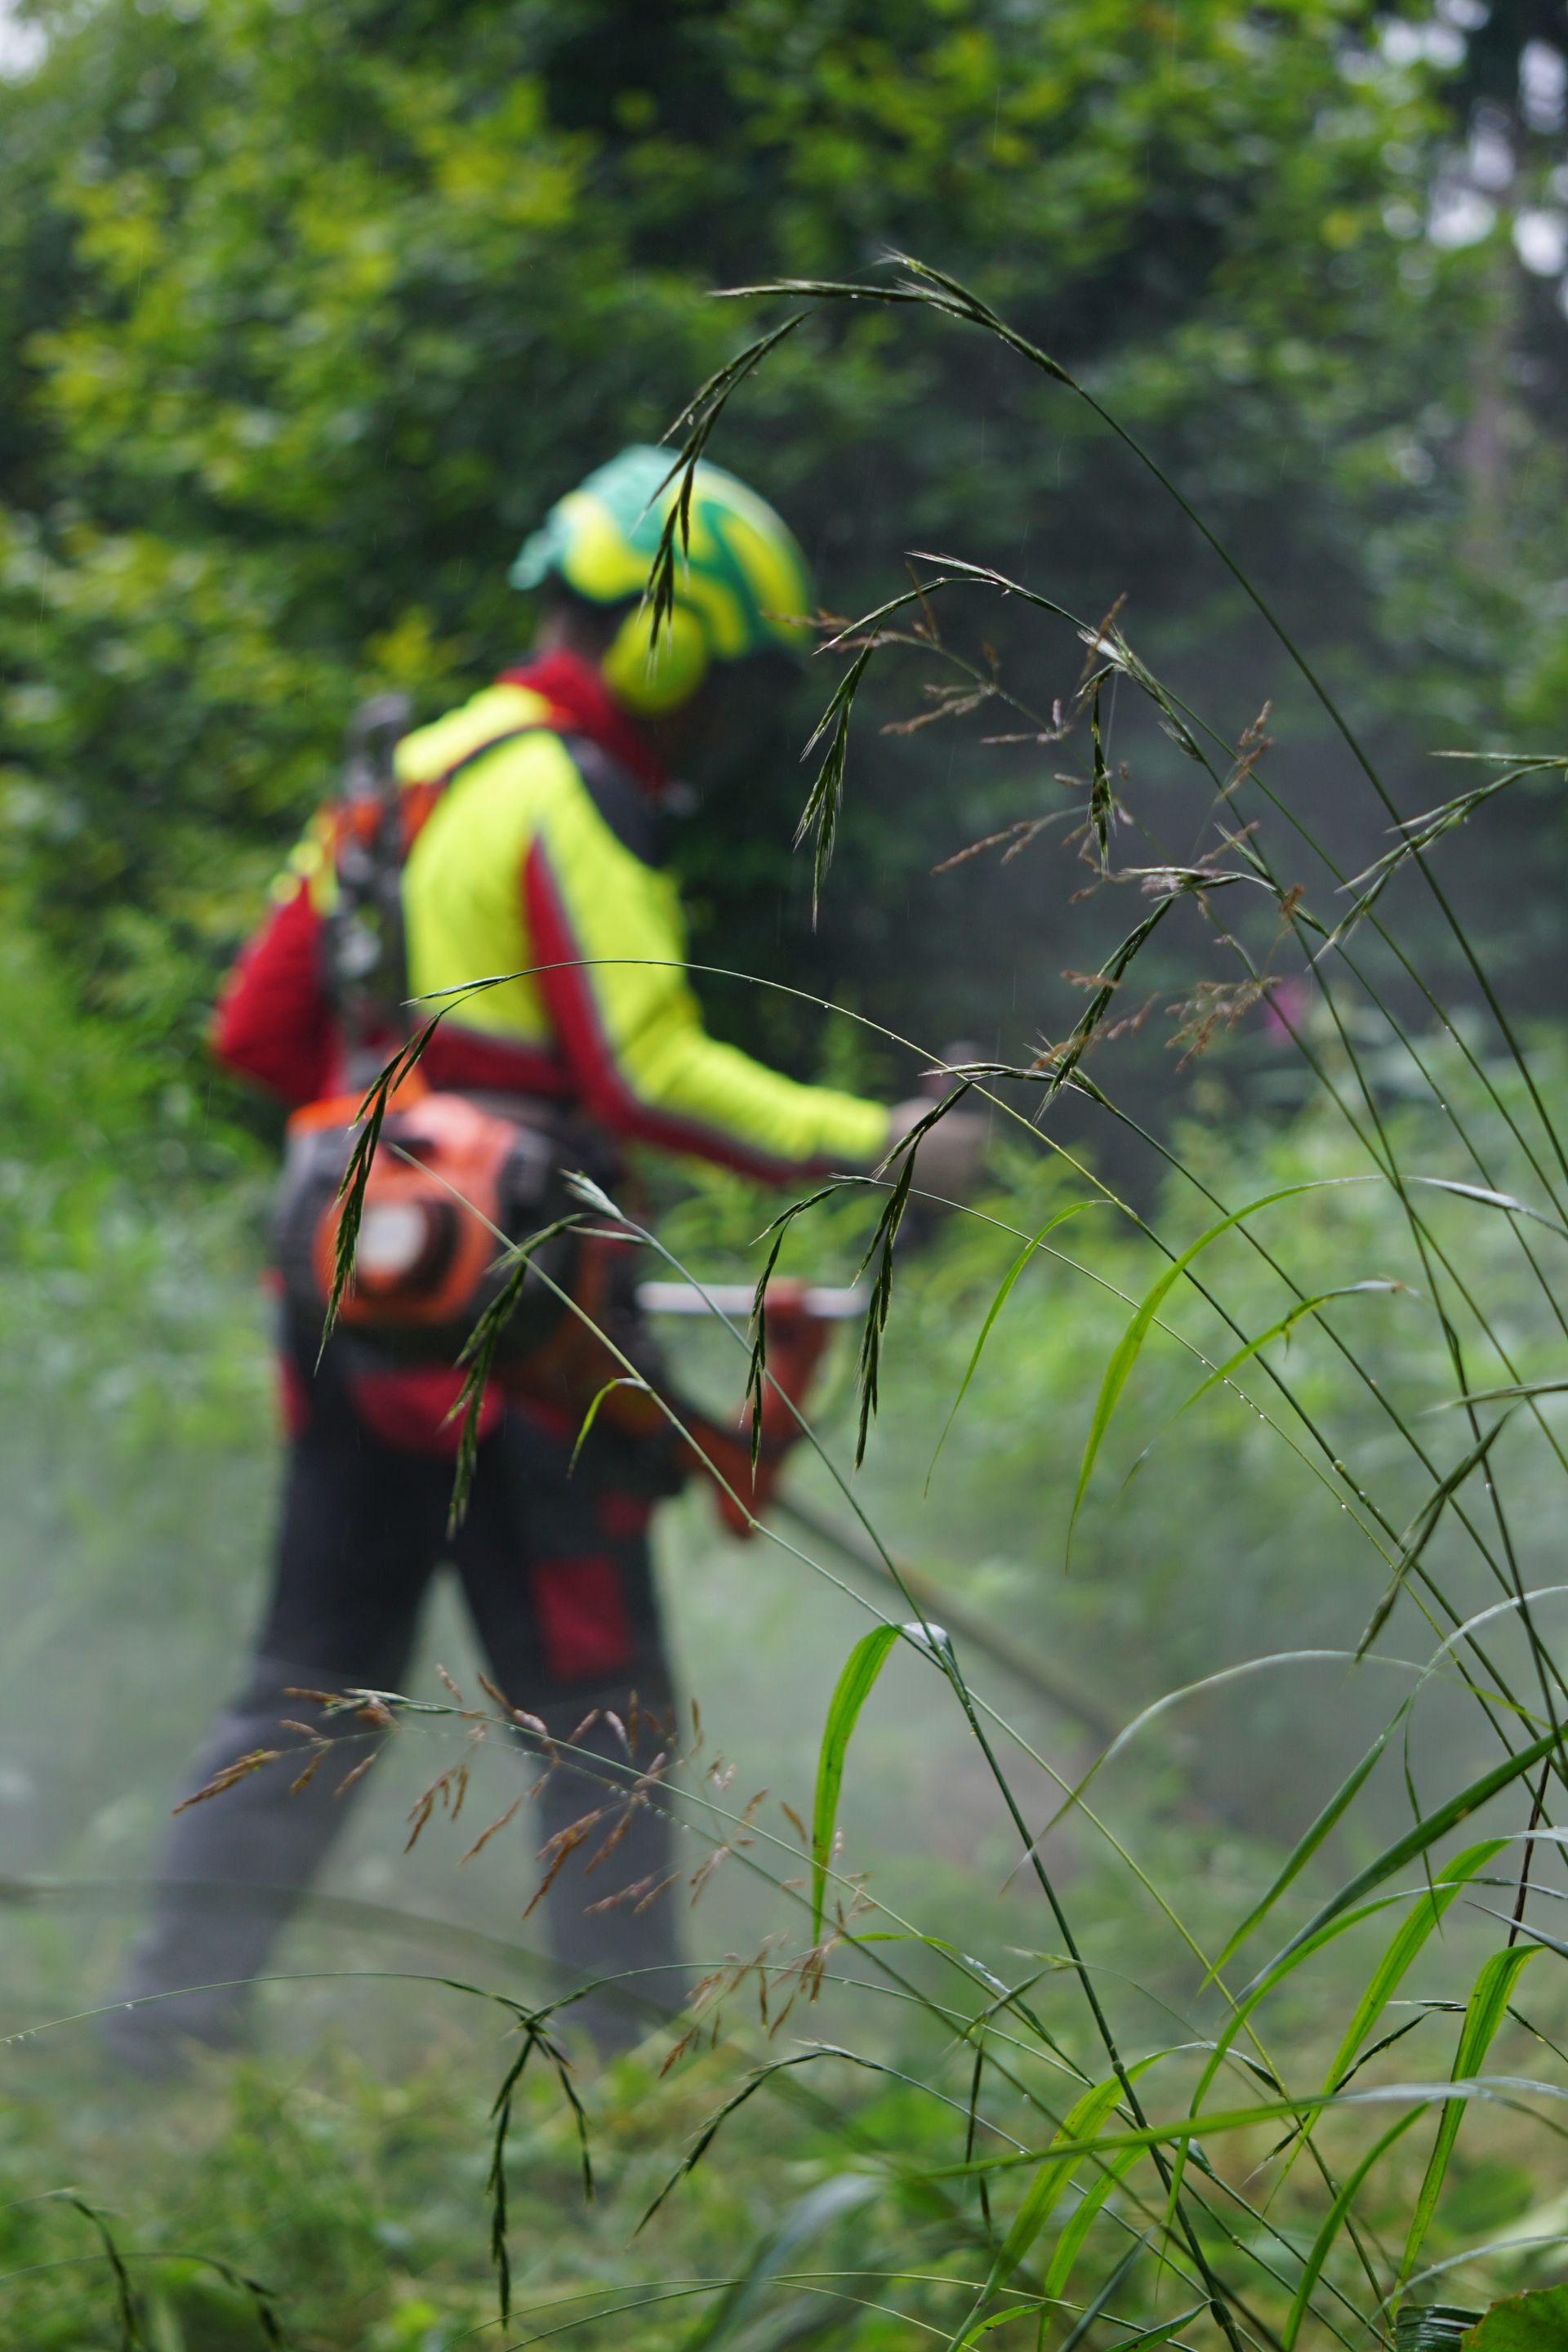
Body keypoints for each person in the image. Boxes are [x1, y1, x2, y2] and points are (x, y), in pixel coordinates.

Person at [107, 446, 983, 2070]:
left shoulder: (400, 780)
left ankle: (157, 2041)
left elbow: (257, 1033)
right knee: (599, 1707)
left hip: (354, 1324)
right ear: (664, 640)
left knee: (307, 1691)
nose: (718, 722)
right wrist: (878, 1138)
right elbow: (645, 1071)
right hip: (526, 1338)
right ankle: (631, 2075)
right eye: (722, 680)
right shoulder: (566, 792)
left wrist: (403, 1165)